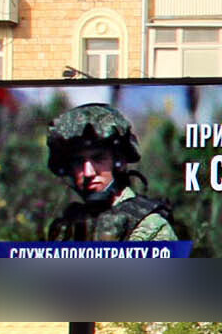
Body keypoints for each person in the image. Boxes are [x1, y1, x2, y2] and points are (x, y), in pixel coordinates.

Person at [39, 101, 188, 246]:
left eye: (98, 158)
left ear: (120, 162)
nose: (88, 172)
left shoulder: (149, 227)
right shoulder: (67, 227)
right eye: (78, 162)